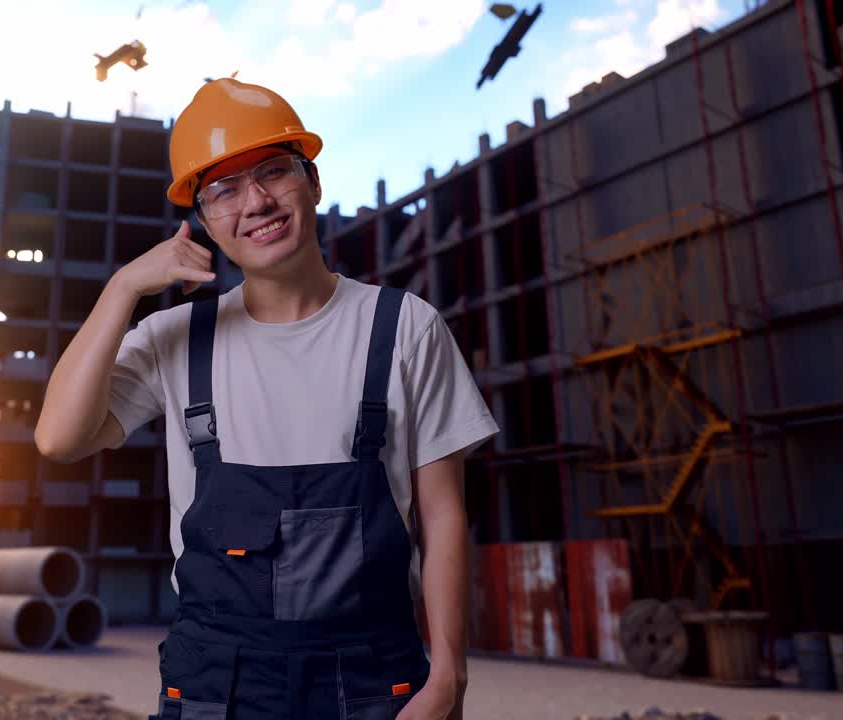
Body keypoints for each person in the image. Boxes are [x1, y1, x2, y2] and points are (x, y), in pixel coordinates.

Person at [35, 78, 499, 720]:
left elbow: (444, 515)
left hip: (375, 680)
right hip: (216, 684)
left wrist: (449, 678)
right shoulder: (177, 340)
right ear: (200, 219)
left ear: (311, 182)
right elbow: (58, 439)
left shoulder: (404, 328)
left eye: (273, 172)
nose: (255, 201)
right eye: (223, 189)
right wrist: (122, 289)